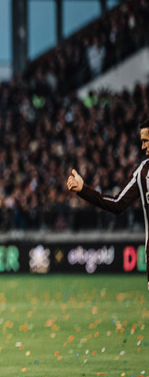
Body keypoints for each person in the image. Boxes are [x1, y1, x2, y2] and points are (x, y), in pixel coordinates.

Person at [67, 119, 149, 288]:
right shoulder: (143, 173)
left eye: (146, 141)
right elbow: (117, 203)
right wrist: (83, 190)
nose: (143, 146)